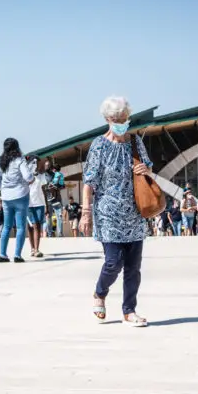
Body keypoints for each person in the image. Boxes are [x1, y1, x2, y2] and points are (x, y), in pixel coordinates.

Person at [81, 96, 151, 328]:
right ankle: (100, 293)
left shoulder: (135, 142)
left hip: (135, 212)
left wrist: (145, 170)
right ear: (107, 119)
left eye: (124, 118)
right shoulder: (99, 145)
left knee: (133, 267)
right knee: (114, 262)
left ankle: (129, 311)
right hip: (108, 213)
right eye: (117, 119)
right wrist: (86, 212)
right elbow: (89, 182)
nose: (122, 123)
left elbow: (149, 169)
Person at [0, 138, 34, 262]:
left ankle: (2, 255)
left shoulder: (0, 162)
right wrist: (32, 179)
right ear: (17, 147)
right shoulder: (19, 160)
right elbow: (28, 176)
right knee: (20, 227)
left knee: (6, 226)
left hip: (6, 198)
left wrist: (4, 189)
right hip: (21, 196)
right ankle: (17, 255)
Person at [27, 158, 48, 257]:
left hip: (39, 204)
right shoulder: (25, 177)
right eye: (33, 162)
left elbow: (44, 190)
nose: (35, 165)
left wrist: (46, 205)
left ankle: (36, 249)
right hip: (28, 204)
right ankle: (32, 248)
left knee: (37, 225)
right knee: (30, 226)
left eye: (36, 163)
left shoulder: (41, 176)